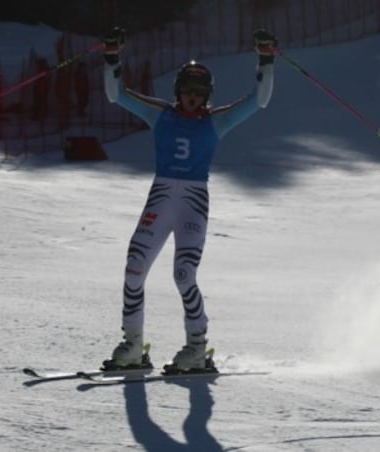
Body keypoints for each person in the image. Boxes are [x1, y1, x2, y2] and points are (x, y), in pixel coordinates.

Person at [100, 26, 278, 372]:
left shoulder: (217, 121)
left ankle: (197, 347)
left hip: (193, 201)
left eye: (199, 92)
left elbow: (260, 99)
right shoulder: (161, 115)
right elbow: (116, 95)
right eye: (187, 91)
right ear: (177, 92)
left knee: (183, 274)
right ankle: (133, 345)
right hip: (161, 196)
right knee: (135, 268)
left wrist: (266, 59)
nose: (192, 98)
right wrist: (111, 57)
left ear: (207, 95)